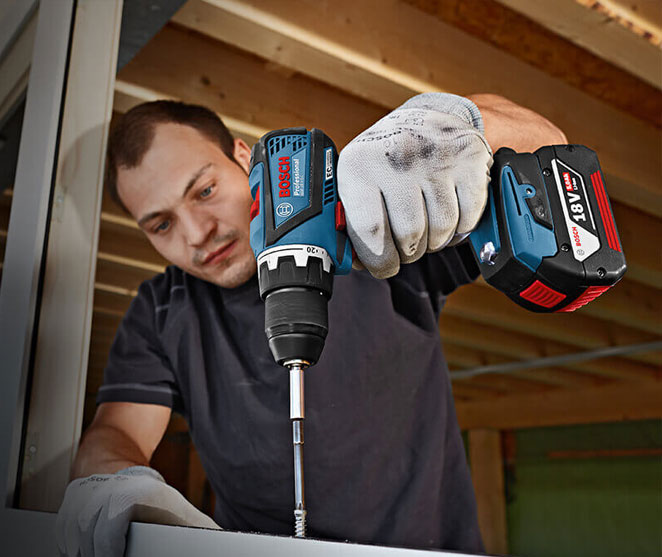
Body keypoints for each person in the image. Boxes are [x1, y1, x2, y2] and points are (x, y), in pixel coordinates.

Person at [56, 93, 567, 557]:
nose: (197, 233)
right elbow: (115, 432)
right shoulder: (160, 309)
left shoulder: (363, 223)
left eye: (204, 191)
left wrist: (450, 127)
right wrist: (119, 485)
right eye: (162, 224)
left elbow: (549, 143)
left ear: (241, 156)